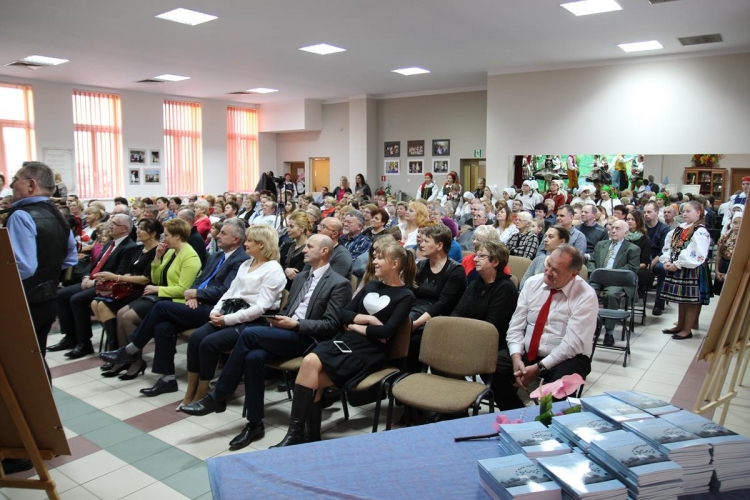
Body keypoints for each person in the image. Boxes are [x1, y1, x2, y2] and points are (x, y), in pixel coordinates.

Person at [179, 234, 353, 448]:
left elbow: (331, 325)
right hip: (287, 333)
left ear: (324, 251)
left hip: (309, 339)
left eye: (309, 246)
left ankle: (219, 395)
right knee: (253, 357)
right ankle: (254, 424)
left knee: (249, 334)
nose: (304, 250)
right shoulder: (301, 277)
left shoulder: (339, 283)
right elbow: (289, 309)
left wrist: (296, 324)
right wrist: (278, 321)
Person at [272, 243, 416, 447]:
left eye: (379, 258)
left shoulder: (406, 295)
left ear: (395, 264)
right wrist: (368, 320)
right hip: (347, 340)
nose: (374, 261)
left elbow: (386, 332)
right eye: (374, 257)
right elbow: (343, 314)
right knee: (310, 362)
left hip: (371, 350)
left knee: (311, 375)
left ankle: (302, 436)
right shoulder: (371, 286)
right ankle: (301, 435)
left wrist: (355, 326)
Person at [100, 218, 250, 383]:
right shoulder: (217, 255)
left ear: (236, 239)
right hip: (198, 302)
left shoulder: (240, 260)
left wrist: (196, 294)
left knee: (161, 306)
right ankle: (167, 378)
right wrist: (193, 294)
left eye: (223, 233)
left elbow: (225, 290)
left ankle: (131, 349)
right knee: (162, 327)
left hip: (215, 309)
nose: (217, 235)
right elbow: (199, 279)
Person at [493, 245, 599, 410]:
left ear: (573, 274)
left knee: (560, 389)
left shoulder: (585, 295)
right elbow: (515, 326)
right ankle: (516, 413)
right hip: (529, 351)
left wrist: (539, 368)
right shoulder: (532, 283)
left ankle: (549, 421)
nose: (548, 272)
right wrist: (516, 358)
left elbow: (571, 345)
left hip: (567, 357)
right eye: (548, 264)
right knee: (492, 367)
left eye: (555, 270)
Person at [52, 213, 138, 358]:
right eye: (110, 223)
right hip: (93, 281)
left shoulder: (129, 247)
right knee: (61, 295)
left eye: (114, 224)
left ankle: (84, 343)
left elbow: (119, 273)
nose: (110, 226)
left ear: (124, 228)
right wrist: (87, 276)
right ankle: (70, 337)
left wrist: (93, 282)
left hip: (107, 285)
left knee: (77, 300)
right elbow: (97, 264)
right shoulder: (111, 243)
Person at [91, 218, 162, 369]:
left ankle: (123, 353)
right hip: (128, 286)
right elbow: (129, 271)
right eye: (138, 227)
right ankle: (118, 351)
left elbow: (146, 279)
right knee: (95, 303)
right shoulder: (139, 249)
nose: (138, 231)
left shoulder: (157, 252)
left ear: (153, 233)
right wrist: (120, 277)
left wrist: (116, 277)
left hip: (143, 289)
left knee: (108, 308)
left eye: (142, 228)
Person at [407, 224, 467, 372]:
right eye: (422, 241)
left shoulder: (456, 270)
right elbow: (409, 293)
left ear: (439, 245)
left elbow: (443, 303)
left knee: (414, 338)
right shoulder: (421, 265)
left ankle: (410, 376)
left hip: (439, 318)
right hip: (416, 311)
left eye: (426, 241)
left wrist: (415, 324)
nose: (421, 244)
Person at [452, 240, 518, 349]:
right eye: (476, 255)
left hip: (487, 344)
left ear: (495, 262)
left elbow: (491, 326)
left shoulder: (505, 288)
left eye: (481, 256)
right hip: (464, 336)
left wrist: (463, 333)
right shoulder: (474, 284)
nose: (475, 259)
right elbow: (457, 312)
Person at [660, 200, 711, 340]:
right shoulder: (680, 228)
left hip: (692, 268)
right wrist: (667, 260)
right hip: (679, 266)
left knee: (691, 301)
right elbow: (670, 246)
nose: (684, 214)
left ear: (698, 213)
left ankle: (687, 330)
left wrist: (678, 264)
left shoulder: (700, 231)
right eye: (683, 211)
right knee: (682, 299)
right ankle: (680, 324)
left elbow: (696, 253)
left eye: (688, 211)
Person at [590, 220, 640, 347]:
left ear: (625, 233)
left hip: (617, 281)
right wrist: (594, 273)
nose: (613, 231)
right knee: (587, 294)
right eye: (612, 228)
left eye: (617, 229)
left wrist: (611, 275)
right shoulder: (601, 245)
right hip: (598, 278)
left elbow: (632, 268)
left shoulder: (632, 249)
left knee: (611, 295)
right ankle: (590, 327)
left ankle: (609, 332)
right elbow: (591, 261)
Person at [520, 225, 570, 289]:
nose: (545, 240)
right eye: (546, 236)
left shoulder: (569, 265)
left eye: (550, 237)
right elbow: (523, 286)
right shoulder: (538, 260)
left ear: (562, 241)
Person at [643, 201, 670, 315]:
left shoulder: (664, 229)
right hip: (643, 256)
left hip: (658, 258)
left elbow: (663, 250)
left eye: (649, 212)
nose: (646, 214)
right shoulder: (641, 227)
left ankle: (658, 304)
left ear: (657, 212)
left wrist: (652, 263)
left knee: (662, 269)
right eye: (644, 212)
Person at [625, 209, 653, 298]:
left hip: (638, 267)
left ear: (639, 221)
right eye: (628, 219)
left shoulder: (645, 239)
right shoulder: (622, 236)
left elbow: (644, 263)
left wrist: (631, 267)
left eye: (632, 219)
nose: (629, 221)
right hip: (622, 266)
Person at [280, 210, 310, 290]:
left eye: (291, 227)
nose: (287, 230)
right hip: (279, 286)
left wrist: (282, 269)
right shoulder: (287, 245)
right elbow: (275, 264)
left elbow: (297, 273)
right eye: (288, 226)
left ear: (302, 228)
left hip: (294, 288)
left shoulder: (308, 249)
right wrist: (285, 270)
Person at [714, 213, 742, 295]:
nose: (737, 226)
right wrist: (717, 271)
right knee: (721, 292)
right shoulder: (725, 237)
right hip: (723, 265)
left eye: (740, 223)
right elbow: (719, 255)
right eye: (735, 223)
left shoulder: (745, 239)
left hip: (736, 267)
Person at [579, 204, 609, 270]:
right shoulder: (576, 228)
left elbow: (603, 250)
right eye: (582, 212)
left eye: (586, 212)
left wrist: (588, 256)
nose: (583, 214)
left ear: (594, 215)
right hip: (577, 257)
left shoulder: (602, 231)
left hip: (593, 259)